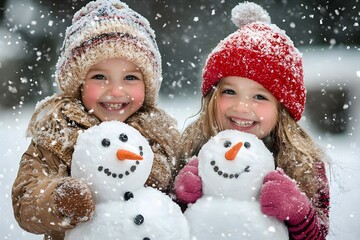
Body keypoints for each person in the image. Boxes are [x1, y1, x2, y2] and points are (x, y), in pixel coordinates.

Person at [12, 1, 180, 240]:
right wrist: (58, 199)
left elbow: (181, 200)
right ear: (78, 84)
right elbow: (25, 200)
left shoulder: (160, 138)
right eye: (100, 77)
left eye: (130, 77)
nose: (116, 91)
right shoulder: (58, 134)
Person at [174, 2, 330, 239]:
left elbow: (319, 234)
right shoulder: (192, 151)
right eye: (229, 92)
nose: (242, 107)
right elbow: (161, 227)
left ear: (282, 109)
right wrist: (180, 202)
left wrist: (300, 214)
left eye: (259, 96)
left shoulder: (303, 164)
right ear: (212, 97)